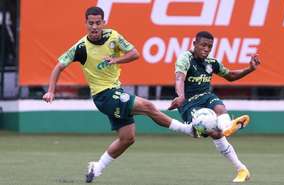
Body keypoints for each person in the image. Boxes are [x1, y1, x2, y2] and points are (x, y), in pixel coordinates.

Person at [42, 7, 202, 183]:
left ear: (104, 22)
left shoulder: (113, 36)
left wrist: (116, 60)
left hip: (116, 91)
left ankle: (97, 167)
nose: (94, 27)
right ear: (85, 23)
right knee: (148, 106)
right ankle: (188, 129)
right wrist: (51, 90)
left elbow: (135, 53)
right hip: (104, 96)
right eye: (90, 23)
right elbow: (59, 66)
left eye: (98, 23)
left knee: (127, 138)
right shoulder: (81, 48)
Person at [168, 31, 260, 182]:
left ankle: (229, 132)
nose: (206, 49)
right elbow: (179, 78)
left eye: (209, 46)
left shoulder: (212, 63)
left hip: (206, 96)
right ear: (194, 44)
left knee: (220, 109)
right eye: (203, 45)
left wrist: (249, 69)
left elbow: (230, 76)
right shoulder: (185, 58)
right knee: (215, 133)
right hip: (189, 104)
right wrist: (181, 95)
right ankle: (240, 165)